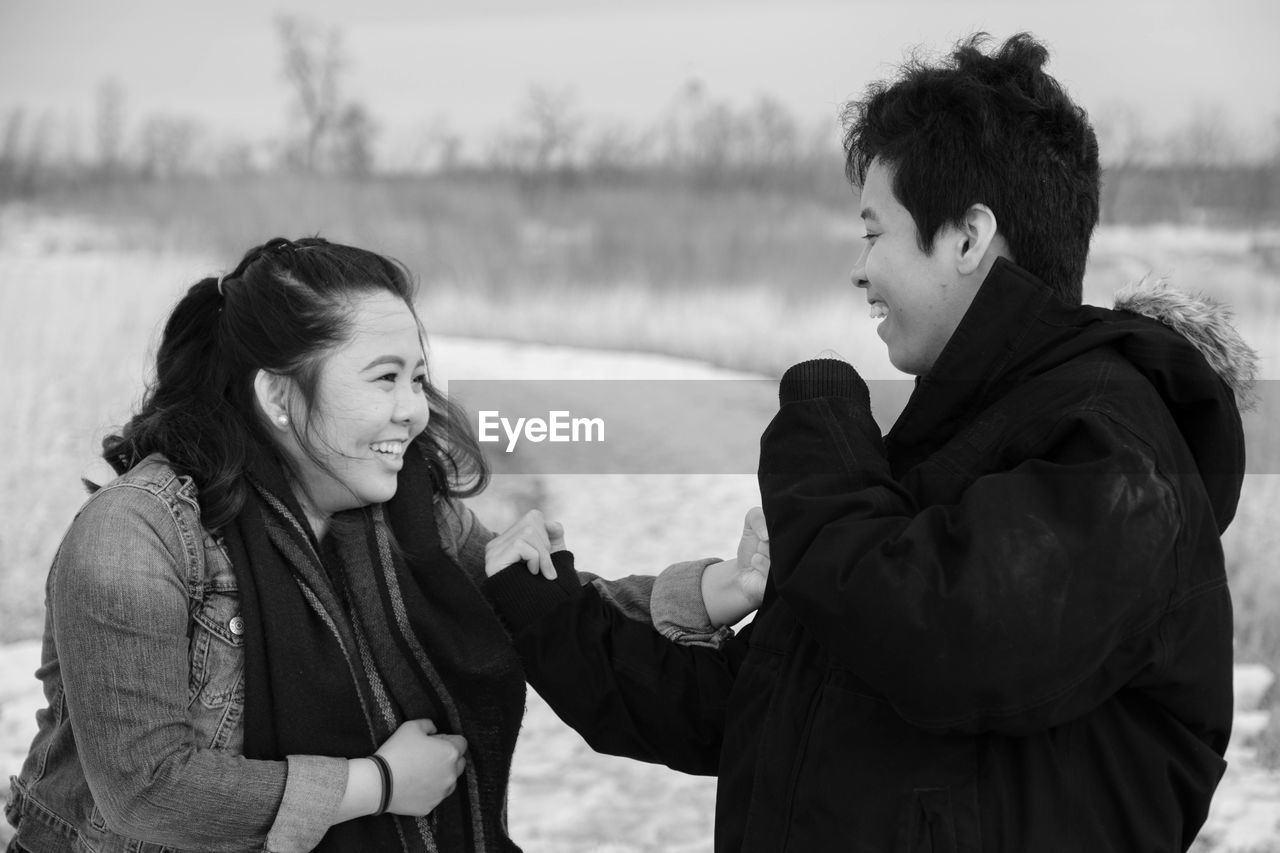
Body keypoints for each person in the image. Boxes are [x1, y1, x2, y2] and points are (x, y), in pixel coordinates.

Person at [481, 33, 1257, 851]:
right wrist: (540, 605)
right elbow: (756, 705)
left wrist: (820, 413)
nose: (861, 269)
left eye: (874, 231)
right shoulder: (953, 444)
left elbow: (939, 637)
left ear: (966, 238)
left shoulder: (1115, 450)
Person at [3, 236, 767, 853]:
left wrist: (723, 585)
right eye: (384, 378)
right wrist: (374, 783)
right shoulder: (136, 535)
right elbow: (145, 788)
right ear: (278, 394)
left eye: (419, 377)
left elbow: (550, 609)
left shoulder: (407, 519)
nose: (413, 409)